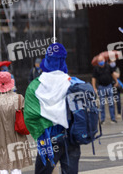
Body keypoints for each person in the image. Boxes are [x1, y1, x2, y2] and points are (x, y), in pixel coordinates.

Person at [25, 43, 81, 174]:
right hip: (71, 138)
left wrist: (43, 132)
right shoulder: (71, 82)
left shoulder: (34, 86)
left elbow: (29, 116)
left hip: (48, 139)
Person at [0, 72, 32, 174]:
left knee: (2, 167)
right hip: (17, 138)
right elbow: (28, 117)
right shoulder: (19, 98)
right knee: (16, 167)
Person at [92, 56, 116, 124]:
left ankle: (113, 118)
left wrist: (116, 81)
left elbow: (113, 74)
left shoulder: (108, 66)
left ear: (104, 60)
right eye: (99, 61)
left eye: (101, 60)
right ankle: (102, 119)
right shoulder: (96, 69)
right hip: (101, 87)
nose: (101, 62)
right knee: (102, 103)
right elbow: (94, 78)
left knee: (111, 102)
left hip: (109, 86)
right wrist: (94, 87)